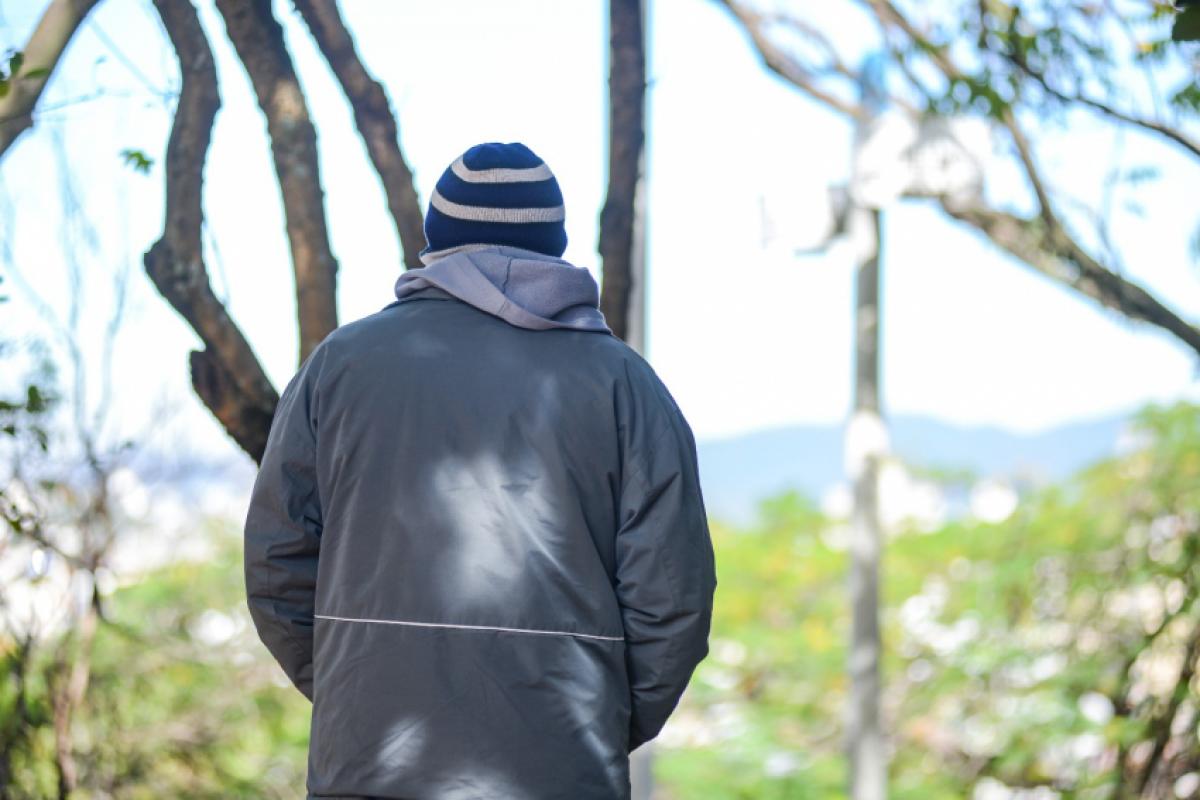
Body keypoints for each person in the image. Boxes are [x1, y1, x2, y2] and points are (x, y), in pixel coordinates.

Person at [243, 142, 717, 800]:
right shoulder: (624, 383)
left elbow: (277, 563)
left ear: (436, 245)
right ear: (555, 247)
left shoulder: (341, 365)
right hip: (560, 771)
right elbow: (673, 596)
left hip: (367, 764)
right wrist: (596, 724)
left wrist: (356, 694)